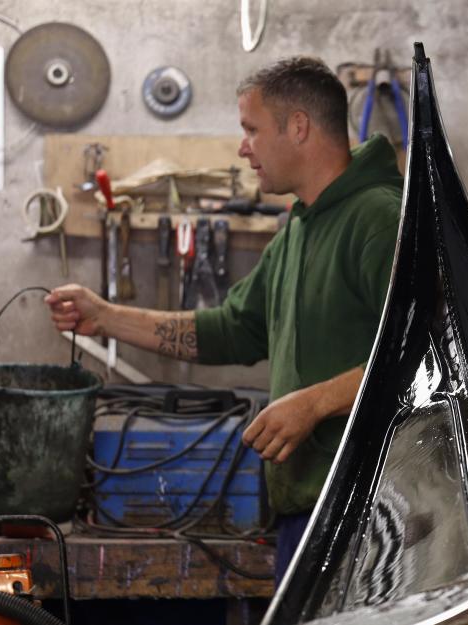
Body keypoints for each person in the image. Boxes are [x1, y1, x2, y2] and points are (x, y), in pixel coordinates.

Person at [45, 57, 403, 583]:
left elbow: (432, 355)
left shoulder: (379, 219)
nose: (242, 147)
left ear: (298, 126)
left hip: (369, 512)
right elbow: (231, 330)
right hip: (303, 510)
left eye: (251, 129)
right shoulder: (299, 229)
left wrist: (316, 402)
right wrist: (106, 317)